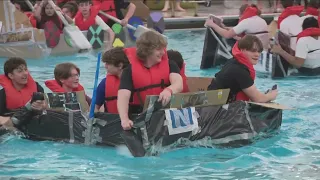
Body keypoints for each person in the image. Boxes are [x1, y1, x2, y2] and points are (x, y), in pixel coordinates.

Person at [117, 30, 183, 130]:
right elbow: (123, 96)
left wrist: (169, 90)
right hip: (140, 116)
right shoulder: (129, 71)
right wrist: (124, 119)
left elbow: (178, 83)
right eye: (158, 49)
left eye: (163, 49)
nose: (163, 52)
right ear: (146, 50)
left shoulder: (170, 65)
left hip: (164, 116)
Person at [207, 35, 278, 103]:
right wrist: (271, 96)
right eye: (253, 51)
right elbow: (258, 99)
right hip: (216, 108)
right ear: (242, 50)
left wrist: (264, 96)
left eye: (259, 51)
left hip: (212, 100)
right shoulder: (240, 70)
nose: (257, 54)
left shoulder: (234, 61)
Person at [0, 57, 46, 128]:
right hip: (12, 127)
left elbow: (46, 105)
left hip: (34, 124)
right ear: (11, 75)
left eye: (25, 70)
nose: (25, 73)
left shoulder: (37, 88)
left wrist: (43, 106)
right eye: (20, 71)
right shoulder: (3, 95)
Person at [204, 4, 269, 49]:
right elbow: (237, 30)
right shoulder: (261, 20)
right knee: (235, 36)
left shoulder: (246, 21)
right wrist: (223, 27)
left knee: (231, 39)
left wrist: (212, 24)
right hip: (262, 49)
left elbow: (227, 35)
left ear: (242, 13)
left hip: (252, 51)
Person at [95, 47, 130, 113]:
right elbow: (94, 108)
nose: (105, 66)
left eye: (108, 64)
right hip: (111, 121)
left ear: (120, 65)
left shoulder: (136, 82)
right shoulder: (104, 84)